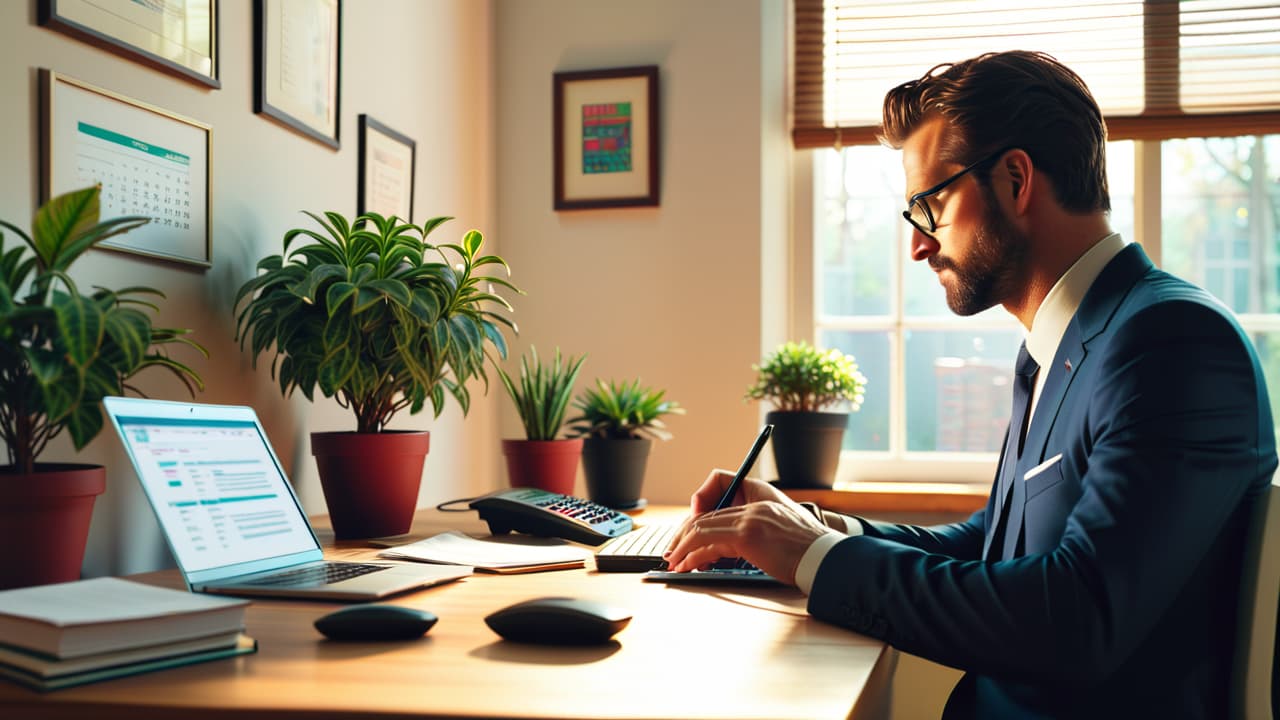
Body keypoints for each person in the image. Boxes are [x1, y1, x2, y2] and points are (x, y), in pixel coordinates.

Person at [664, 50, 1276, 719]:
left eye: (929, 206)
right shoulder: (1062, 346)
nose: (918, 246)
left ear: (1016, 180)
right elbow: (992, 546)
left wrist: (814, 556)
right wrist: (810, 527)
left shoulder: (1170, 342)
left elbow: (1076, 618)